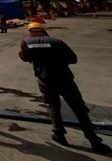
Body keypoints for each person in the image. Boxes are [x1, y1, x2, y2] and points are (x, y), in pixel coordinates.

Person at [19, 22, 111, 153]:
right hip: (65, 80)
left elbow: (23, 57)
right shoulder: (57, 42)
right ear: (43, 30)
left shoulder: (26, 42)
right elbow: (72, 58)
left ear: (30, 31)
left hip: (45, 80)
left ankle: (59, 134)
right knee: (79, 110)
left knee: (53, 107)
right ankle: (94, 141)